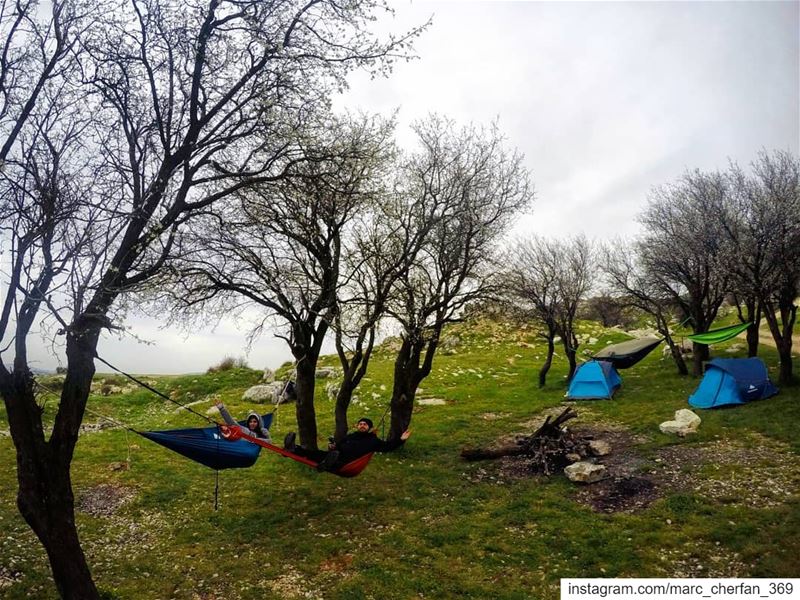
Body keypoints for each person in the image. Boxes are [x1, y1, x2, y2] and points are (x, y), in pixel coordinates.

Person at [283, 418, 411, 472]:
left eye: (365, 424)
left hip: (349, 464)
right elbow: (337, 447)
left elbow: (388, 447)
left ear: (370, 428)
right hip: (336, 455)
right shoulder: (349, 437)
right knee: (317, 454)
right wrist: (333, 446)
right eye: (360, 423)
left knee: (334, 459)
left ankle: (328, 464)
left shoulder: (373, 441)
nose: (362, 425)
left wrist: (401, 439)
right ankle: (294, 449)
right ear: (357, 426)